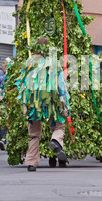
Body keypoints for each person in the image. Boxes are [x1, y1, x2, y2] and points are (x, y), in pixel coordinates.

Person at [16, 36, 70, 172]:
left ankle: (31, 162)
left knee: (34, 133)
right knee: (59, 125)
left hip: (33, 102)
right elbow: (61, 85)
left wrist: (24, 105)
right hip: (51, 101)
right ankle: (56, 141)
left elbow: (23, 85)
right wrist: (65, 104)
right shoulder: (53, 63)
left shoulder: (29, 62)